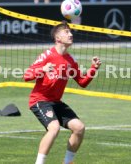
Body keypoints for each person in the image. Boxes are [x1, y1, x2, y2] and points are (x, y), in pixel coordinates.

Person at [24, 21, 101, 164]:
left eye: (70, 31)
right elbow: (26, 75)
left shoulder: (71, 61)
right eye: (66, 32)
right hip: (39, 100)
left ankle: (67, 162)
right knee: (54, 128)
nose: (71, 34)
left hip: (56, 102)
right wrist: (43, 69)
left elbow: (82, 82)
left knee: (79, 128)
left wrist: (93, 68)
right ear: (58, 38)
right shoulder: (47, 55)